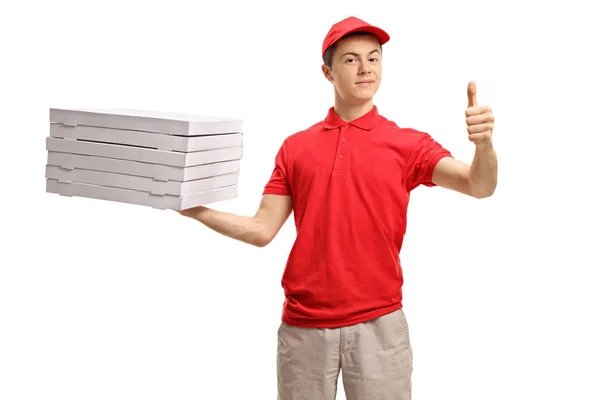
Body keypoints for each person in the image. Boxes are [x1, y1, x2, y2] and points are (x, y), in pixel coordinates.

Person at [178, 15, 497, 400]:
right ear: (327, 72)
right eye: (350, 59)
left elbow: (478, 185)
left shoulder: (408, 144)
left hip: (380, 324)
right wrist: (194, 210)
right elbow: (262, 230)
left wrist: (484, 146)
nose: (365, 68)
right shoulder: (295, 148)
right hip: (304, 328)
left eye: (374, 58)